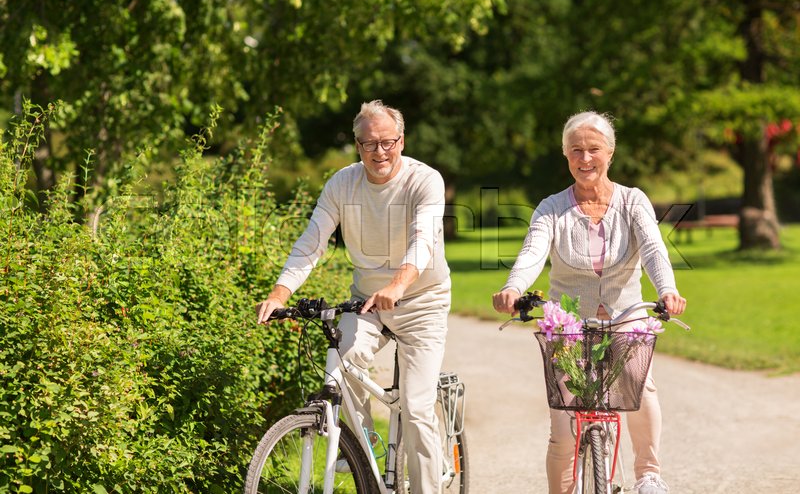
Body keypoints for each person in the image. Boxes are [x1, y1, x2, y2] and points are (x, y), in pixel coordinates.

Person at [256, 99, 451, 494]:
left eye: (387, 142)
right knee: (341, 364)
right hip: (366, 301)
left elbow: (423, 240)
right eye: (369, 144)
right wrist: (280, 292)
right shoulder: (342, 184)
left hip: (422, 300)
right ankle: (365, 452)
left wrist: (398, 284)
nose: (379, 151)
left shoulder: (424, 180)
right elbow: (312, 241)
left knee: (415, 409)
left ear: (401, 140)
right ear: (357, 146)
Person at [492, 111, 686, 494]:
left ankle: (649, 475)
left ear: (610, 153)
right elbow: (532, 252)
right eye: (576, 150)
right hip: (568, 321)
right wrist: (513, 288)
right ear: (565, 155)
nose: (585, 159)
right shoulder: (551, 208)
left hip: (625, 316)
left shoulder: (632, 202)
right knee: (563, 429)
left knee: (639, 382)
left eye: (593, 149)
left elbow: (653, 250)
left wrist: (667, 290)